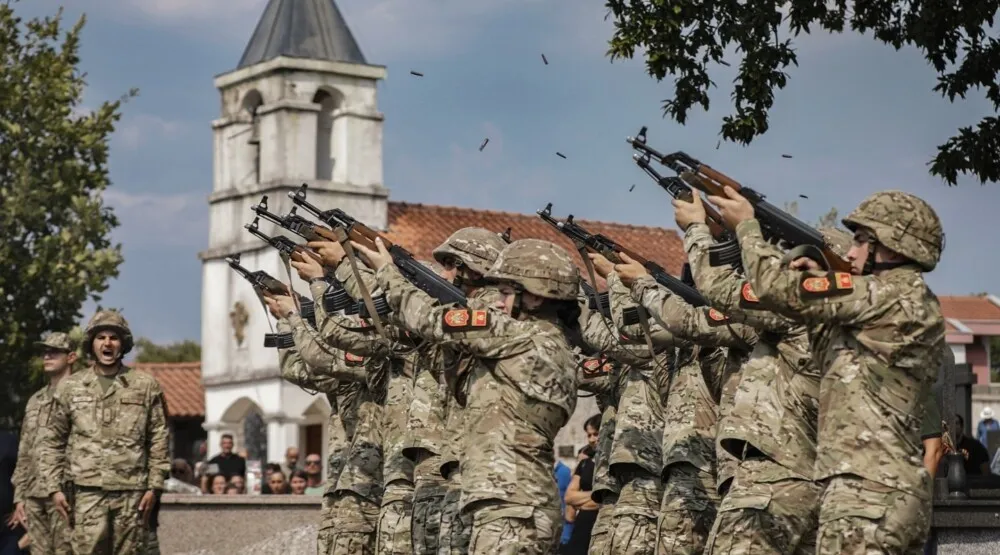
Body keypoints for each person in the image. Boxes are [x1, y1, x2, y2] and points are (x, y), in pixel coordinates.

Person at [711, 188, 946, 554]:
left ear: (893, 246)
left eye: (862, 240)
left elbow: (774, 288)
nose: (851, 252)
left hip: (866, 491)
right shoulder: (907, 302)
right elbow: (827, 355)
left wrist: (746, 226)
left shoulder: (887, 293)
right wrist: (816, 282)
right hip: (883, 490)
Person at [355, 236, 581, 553]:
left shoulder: (519, 335)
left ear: (534, 298)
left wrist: (387, 272)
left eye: (505, 293)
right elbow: (457, 378)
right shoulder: (546, 343)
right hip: (512, 504)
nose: (499, 302)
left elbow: (430, 320)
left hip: (512, 507)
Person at [36, 310, 170, 554]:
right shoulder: (71, 387)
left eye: (114, 338)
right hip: (86, 492)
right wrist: (53, 488)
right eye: (101, 338)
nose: (107, 343)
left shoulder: (145, 386)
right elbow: (52, 440)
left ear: (123, 344)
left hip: (132, 493)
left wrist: (154, 486)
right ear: (92, 344)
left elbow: (159, 437)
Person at [11, 331, 79, 555]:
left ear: (71, 357)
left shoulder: (81, 396)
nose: (47, 356)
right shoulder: (35, 401)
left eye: (54, 352)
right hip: (33, 494)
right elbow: (25, 450)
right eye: (45, 352)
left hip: (65, 492)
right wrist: (19, 496)